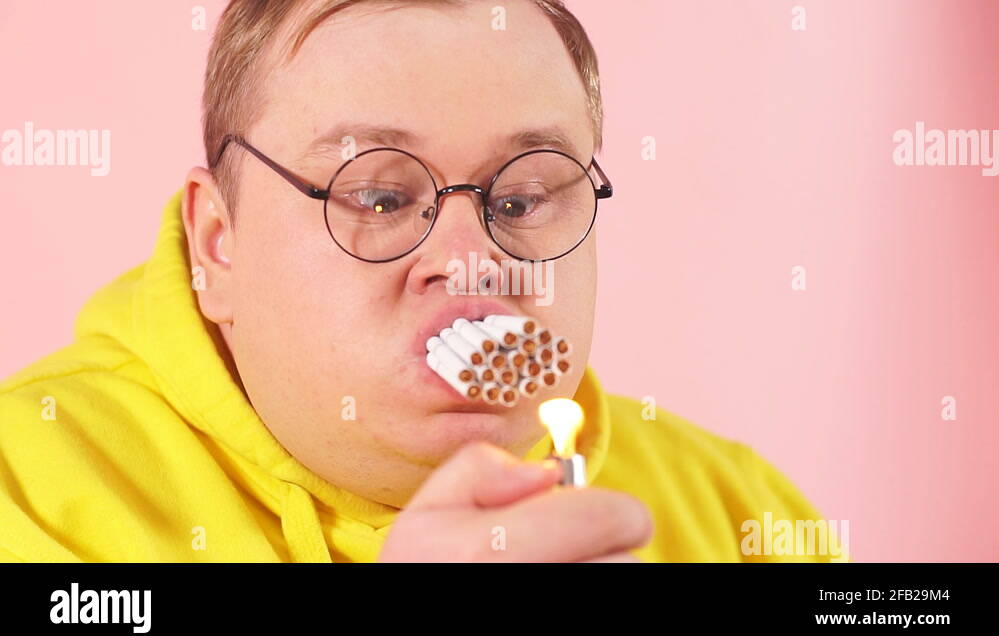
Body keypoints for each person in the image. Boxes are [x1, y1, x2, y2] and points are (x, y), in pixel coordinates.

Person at [0, 0, 843, 562]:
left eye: (521, 195)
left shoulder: (744, 514)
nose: (470, 255)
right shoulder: (28, 487)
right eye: (379, 194)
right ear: (219, 244)